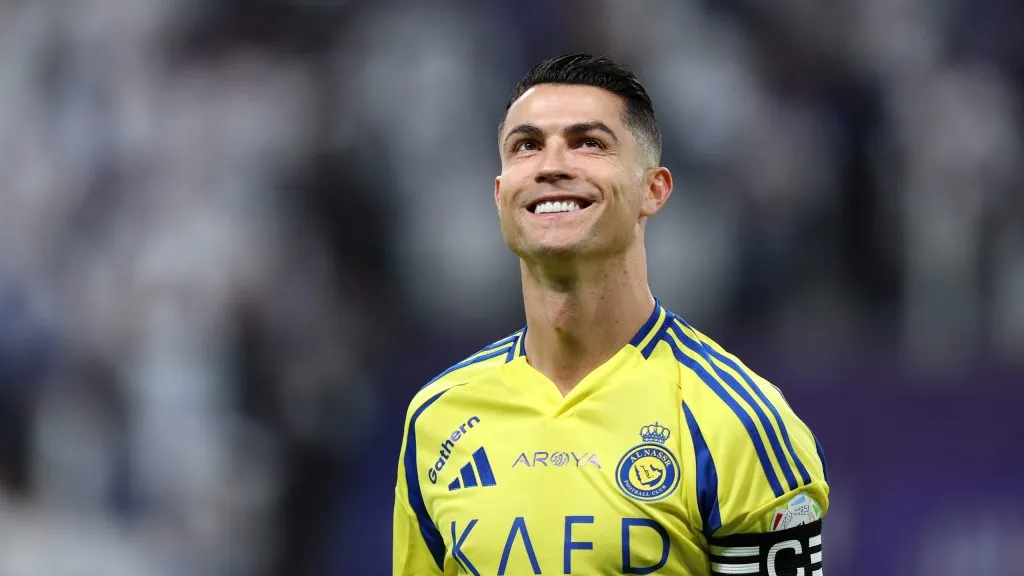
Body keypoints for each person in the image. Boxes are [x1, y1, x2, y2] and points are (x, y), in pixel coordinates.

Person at [393, 53, 829, 576]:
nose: (551, 165)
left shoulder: (740, 423)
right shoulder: (437, 417)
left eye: (588, 143)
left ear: (654, 189)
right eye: (526, 146)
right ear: (500, 193)